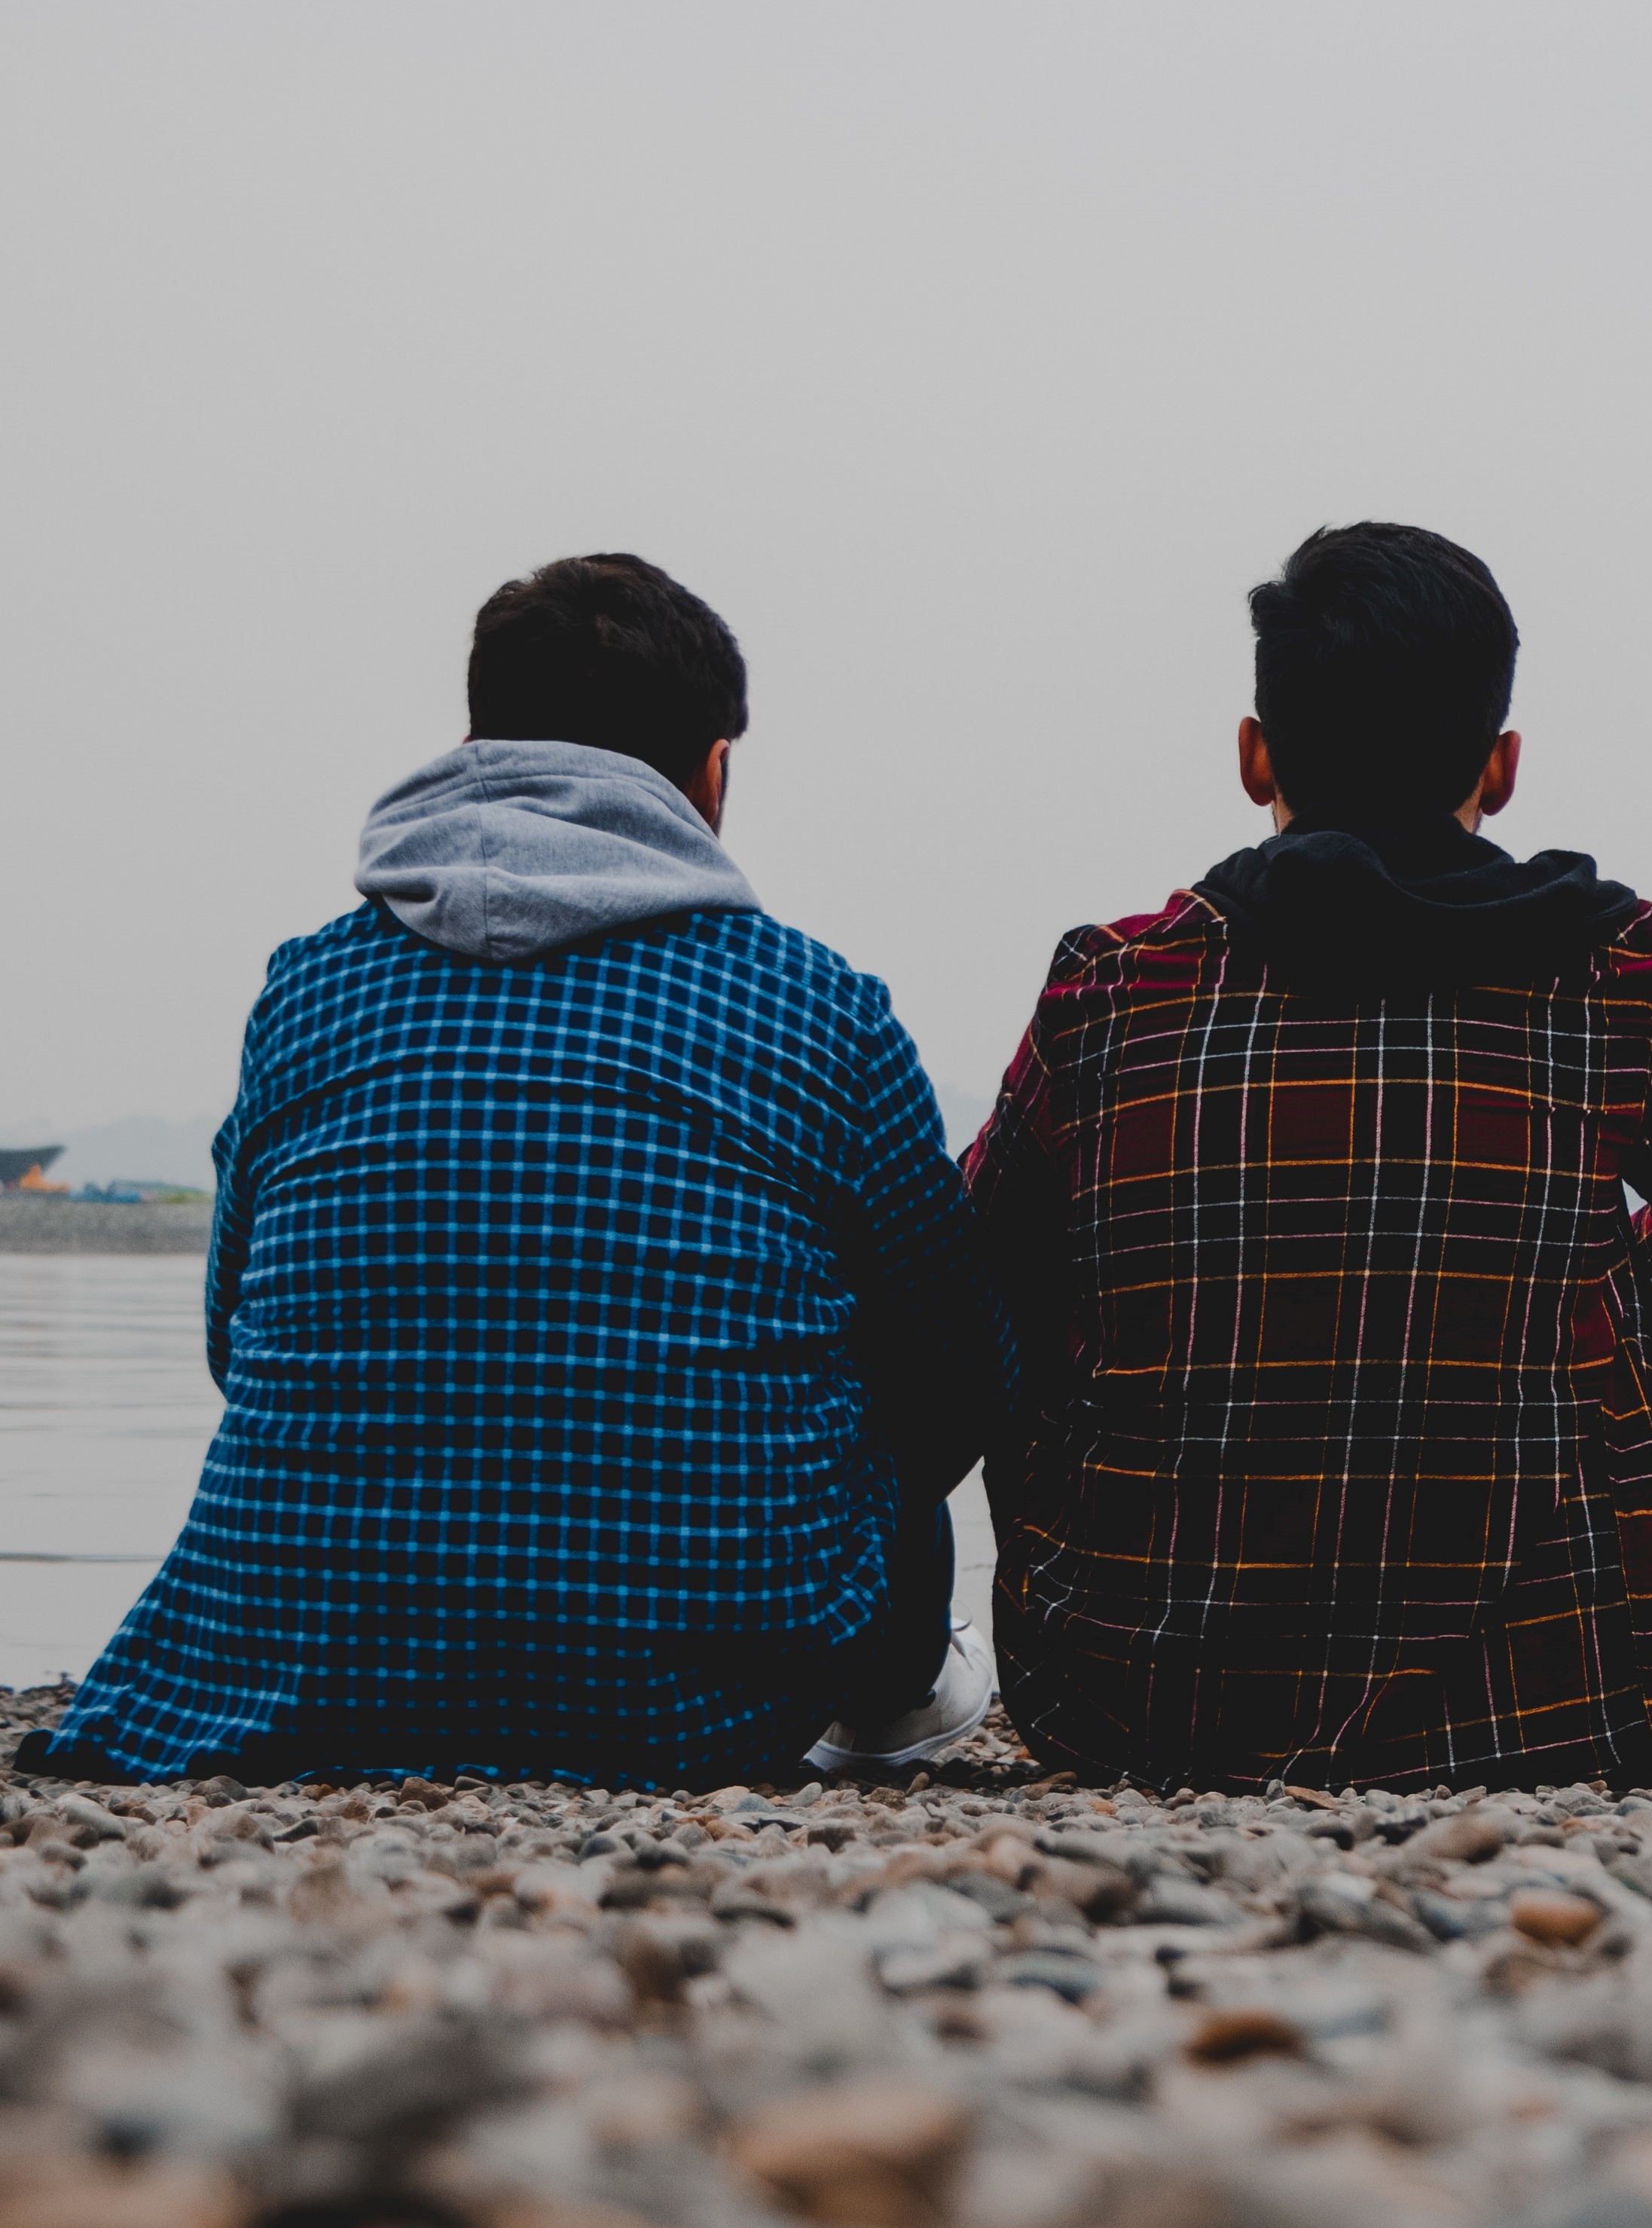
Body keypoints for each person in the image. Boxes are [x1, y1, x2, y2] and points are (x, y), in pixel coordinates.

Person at [28, 555, 1012, 1790]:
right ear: (714, 773)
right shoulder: (815, 1006)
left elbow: (236, 1341)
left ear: (473, 748)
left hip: (300, 1673)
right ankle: (889, 1696)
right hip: (701, 1701)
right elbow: (959, 1380)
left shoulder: (308, 991)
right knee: (887, 1400)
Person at [963, 522, 1652, 1793]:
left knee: (1018, 1277)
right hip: (1558, 1712)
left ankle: (1104, 1605)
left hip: (1129, 1712)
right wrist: (1601, 1272)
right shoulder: (1606, 970)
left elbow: (970, 1262)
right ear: (1503, 765)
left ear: (1254, 753)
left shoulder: (1112, 985)